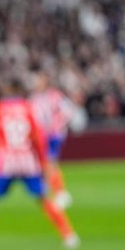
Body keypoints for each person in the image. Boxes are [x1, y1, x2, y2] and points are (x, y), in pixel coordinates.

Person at [0, 79, 80, 250]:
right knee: (44, 199)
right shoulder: (30, 107)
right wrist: (43, 162)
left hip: (5, 163)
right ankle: (69, 235)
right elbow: (38, 137)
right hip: (27, 161)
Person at [30, 71, 77, 209]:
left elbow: (69, 111)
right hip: (41, 135)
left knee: (50, 162)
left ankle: (61, 193)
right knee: (44, 163)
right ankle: (50, 189)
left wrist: (58, 124)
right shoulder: (34, 98)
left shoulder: (55, 96)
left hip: (53, 134)